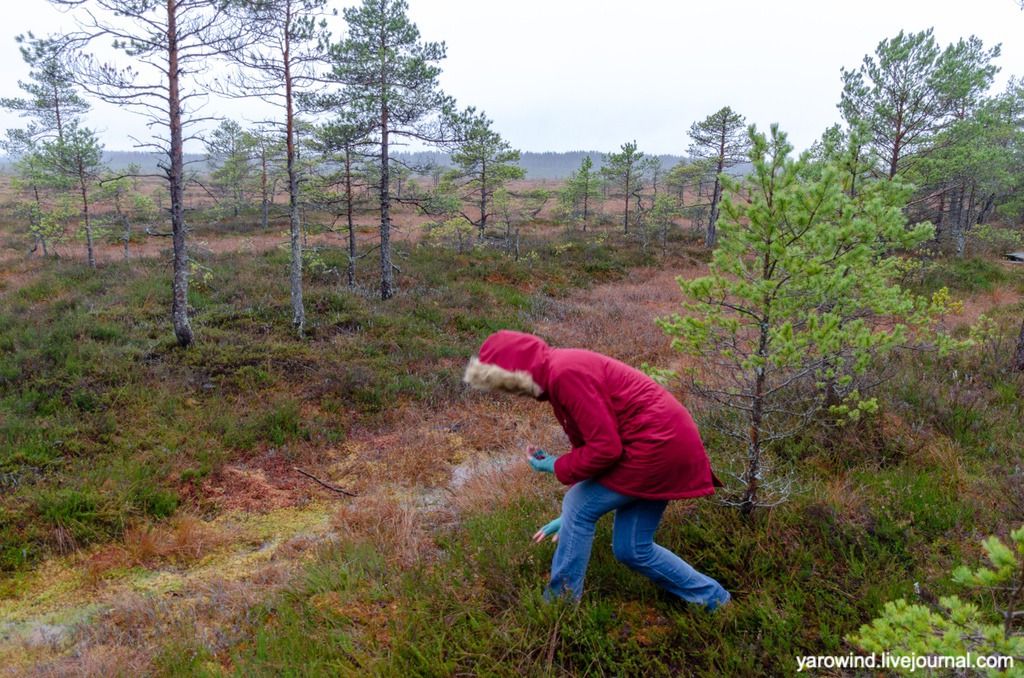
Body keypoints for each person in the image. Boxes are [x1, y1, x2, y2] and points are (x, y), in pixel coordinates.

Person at [463, 329, 730, 610]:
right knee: (632, 549)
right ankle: (715, 599)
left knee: (579, 505)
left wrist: (556, 468)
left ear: (517, 367)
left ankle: (559, 609)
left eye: (505, 382)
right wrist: (568, 518)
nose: (511, 391)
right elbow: (597, 451)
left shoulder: (564, 373)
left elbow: (605, 449)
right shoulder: (558, 375)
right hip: (662, 447)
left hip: (657, 447)